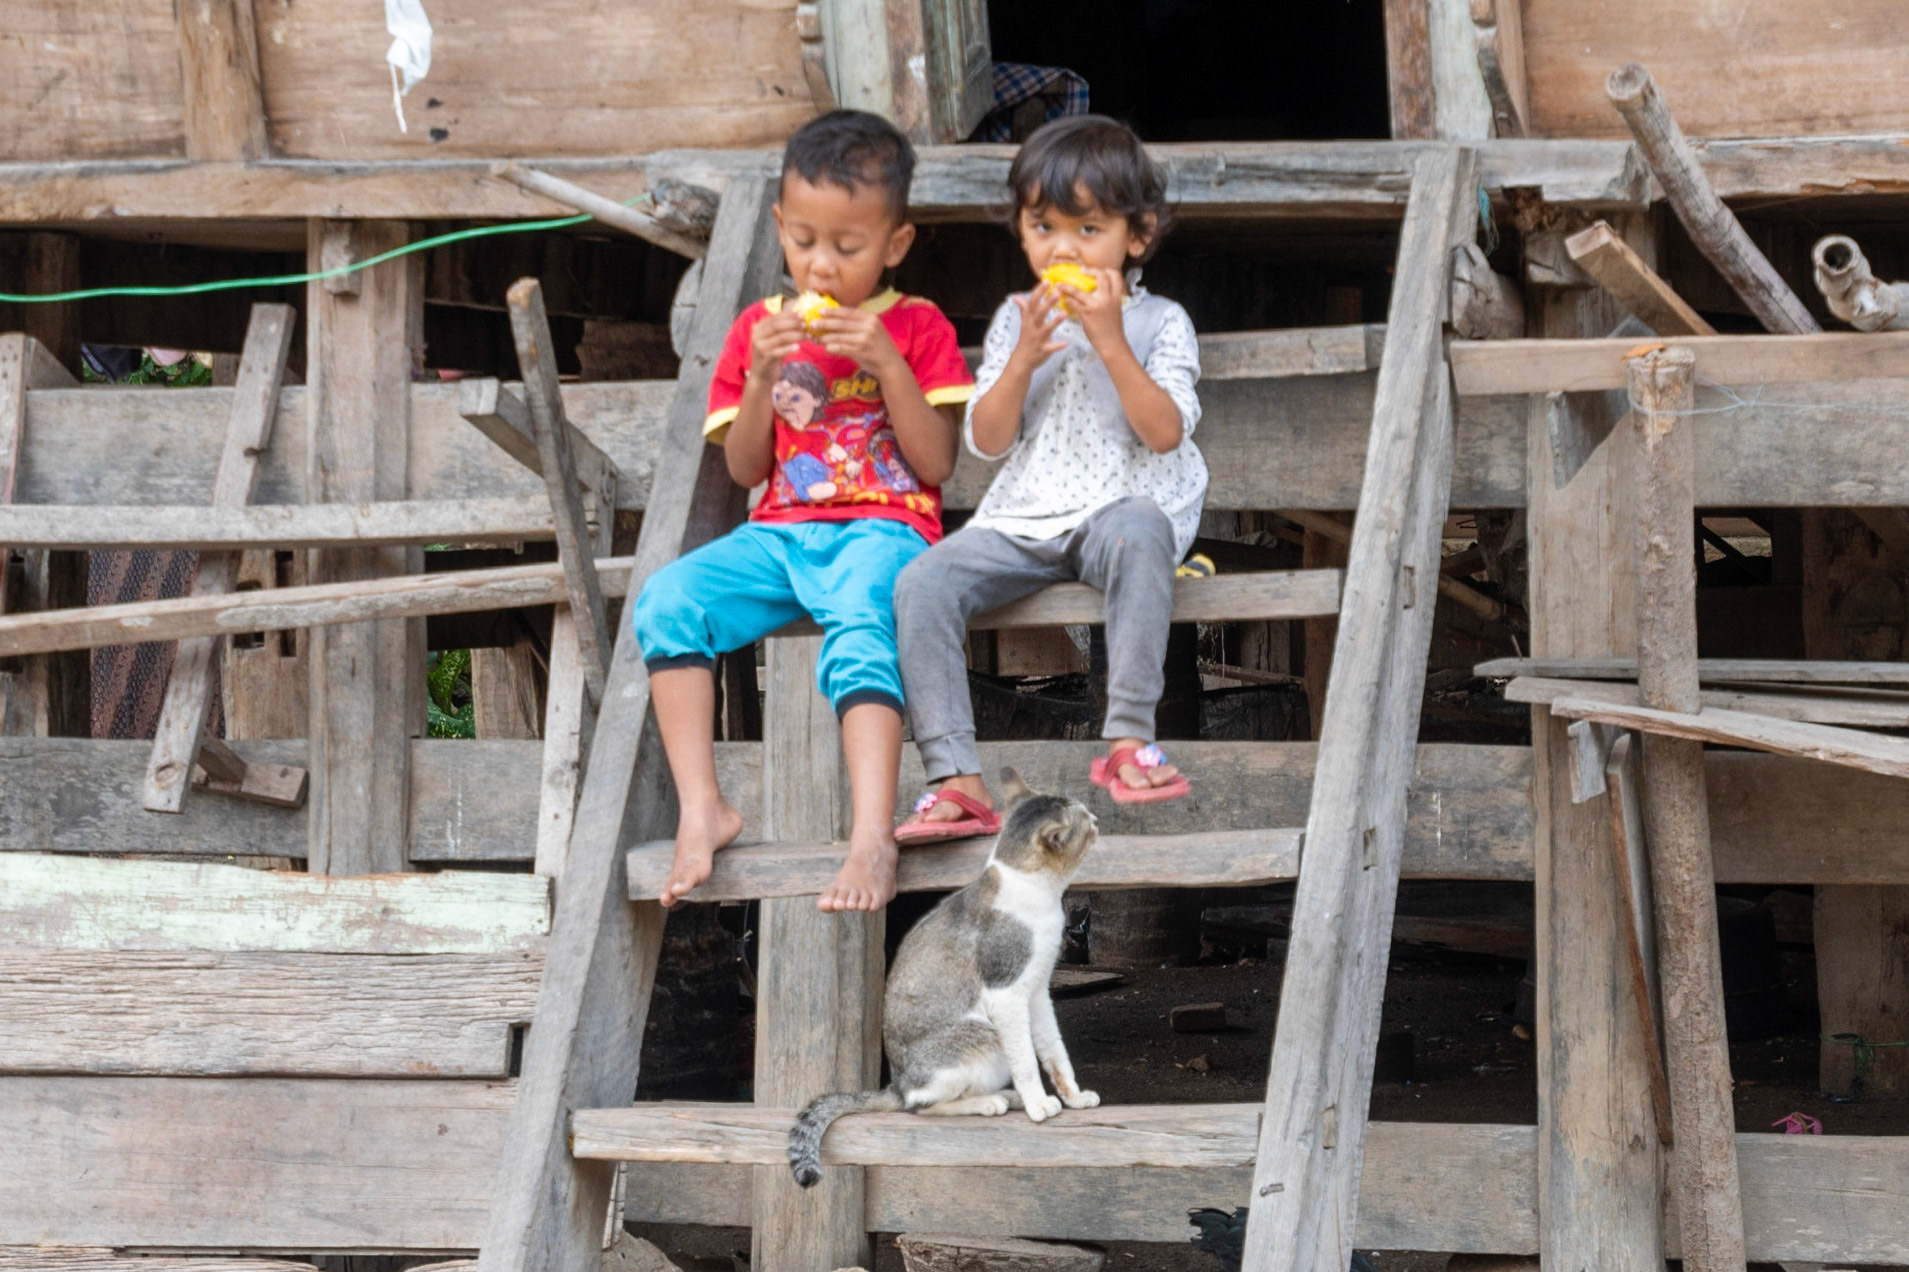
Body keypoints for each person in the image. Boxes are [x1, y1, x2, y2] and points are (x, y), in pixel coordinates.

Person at [633, 110, 973, 909]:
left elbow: (937, 464)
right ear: (780, 227)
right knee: (666, 601)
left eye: (847, 248)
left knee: (860, 623)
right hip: (781, 534)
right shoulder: (759, 328)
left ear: (893, 244)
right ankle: (701, 807)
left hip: (884, 530)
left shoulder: (918, 326)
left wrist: (887, 362)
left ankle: (869, 838)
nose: (821, 267)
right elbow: (747, 467)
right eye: (804, 242)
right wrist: (757, 377)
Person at [894, 114, 1206, 843]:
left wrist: (1105, 335)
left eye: (1087, 229)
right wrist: (1023, 357)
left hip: (1124, 509)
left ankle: (1128, 741)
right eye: (1043, 227)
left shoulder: (1161, 320)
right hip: (1026, 514)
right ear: (1022, 231)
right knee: (921, 582)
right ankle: (955, 777)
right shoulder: (1016, 317)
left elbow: (1161, 433)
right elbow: (988, 439)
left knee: (1139, 531)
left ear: (1137, 235)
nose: (1062, 247)